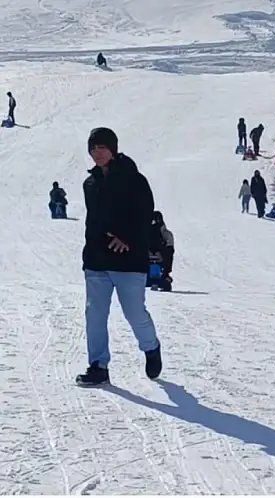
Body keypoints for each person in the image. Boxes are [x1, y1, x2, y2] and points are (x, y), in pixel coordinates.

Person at [76, 127, 162, 386]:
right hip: (97, 260)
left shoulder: (134, 179)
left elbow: (144, 215)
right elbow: (94, 222)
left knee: (134, 312)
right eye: (93, 149)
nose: (97, 153)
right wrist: (95, 245)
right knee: (95, 315)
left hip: (128, 259)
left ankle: (151, 347)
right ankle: (98, 365)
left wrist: (126, 238)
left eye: (101, 148)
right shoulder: (90, 184)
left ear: (113, 148)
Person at [149, 210, 174, 281]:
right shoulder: (145, 229)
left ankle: (165, 274)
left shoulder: (165, 233)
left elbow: (170, 247)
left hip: (160, 251)